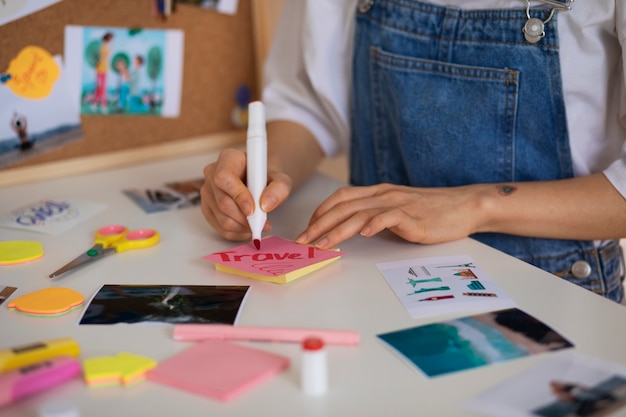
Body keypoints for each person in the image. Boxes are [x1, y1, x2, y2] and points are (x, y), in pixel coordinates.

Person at [200, 1, 626, 303]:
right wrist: (269, 170)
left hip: (556, 292)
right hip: (374, 280)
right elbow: (310, 103)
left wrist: (474, 205)